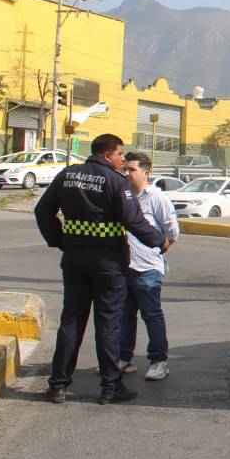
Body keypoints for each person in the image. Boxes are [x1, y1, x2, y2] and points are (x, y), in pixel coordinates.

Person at [34, 133, 168, 405]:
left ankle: (58, 385)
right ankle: (110, 387)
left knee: (71, 321)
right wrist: (159, 241)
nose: (122, 159)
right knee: (108, 323)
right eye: (120, 155)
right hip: (108, 262)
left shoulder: (67, 175)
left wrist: (58, 240)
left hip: (74, 259)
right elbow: (134, 220)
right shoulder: (116, 181)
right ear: (108, 154)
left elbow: (42, 211)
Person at [117, 152, 178, 381]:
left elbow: (172, 232)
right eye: (124, 168)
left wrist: (160, 248)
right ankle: (124, 358)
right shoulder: (122, 196)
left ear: (146, 172)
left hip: (148, 267)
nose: (126, 173)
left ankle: (158, 361)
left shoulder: (157, 198)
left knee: (151, 314)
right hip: (124, 266)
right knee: (124, 314)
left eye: (131, 169)